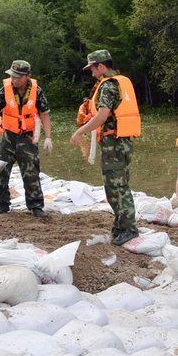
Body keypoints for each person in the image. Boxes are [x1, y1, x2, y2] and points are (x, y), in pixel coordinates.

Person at [70, 50, 141, 245]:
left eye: (92, 68)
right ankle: (121, 225)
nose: (91, 73)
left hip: (114, 144)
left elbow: (102, 116)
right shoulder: (121, 81)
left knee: (116, 188)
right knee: (118, 185)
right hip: (121, 142)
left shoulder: (108, 86)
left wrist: (79, 132)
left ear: (100, 66)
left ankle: (129, 229)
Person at [0, 60, 53, 218]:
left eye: (18, 77)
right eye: (12, 76)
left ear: (27, 76)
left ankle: (35, 206)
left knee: (31, 172)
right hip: (8, 137)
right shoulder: (4, 91)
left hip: (28, 137)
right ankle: (2, 204)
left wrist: (48, 137)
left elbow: (45, 116)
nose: (14, 80)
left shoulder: (37, 92)